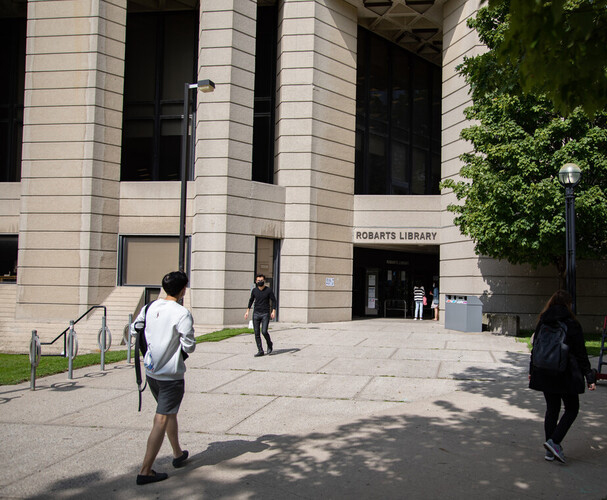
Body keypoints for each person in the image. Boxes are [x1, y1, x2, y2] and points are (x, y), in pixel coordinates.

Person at [132, 271, 196, 485]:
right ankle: (145, 470)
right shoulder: (182, 313)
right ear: (183, 290)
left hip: (151, 372)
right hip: (171, 375)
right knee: (161, 418)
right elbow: (189, 345)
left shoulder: (149, 307)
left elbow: (134, 329)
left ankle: (177, 454)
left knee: (169, 413)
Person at [528, 290, 596, 464]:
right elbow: (581, 353)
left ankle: (550, 452)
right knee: (572, 409)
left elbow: (535, 347)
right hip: (565, 373)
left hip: (544, 371)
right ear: (568, 304)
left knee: (552, 409)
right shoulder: (571, 324)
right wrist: (589, 375)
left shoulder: (543, 320)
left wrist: (532, 370)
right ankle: (554, 442)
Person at [244, 274, 276, 357]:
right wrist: (247, 311)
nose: (260, 282)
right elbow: (251, 300)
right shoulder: (254, 290)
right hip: (256, 314)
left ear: (264, 281)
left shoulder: (268, 290)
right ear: (256, 281)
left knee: (264, 331)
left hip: (265, 313)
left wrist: (273, 311)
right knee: (256, 333)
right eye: (258, 280)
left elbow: (274, 300)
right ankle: (260, 350)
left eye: (261, 280)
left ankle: (269, 344)